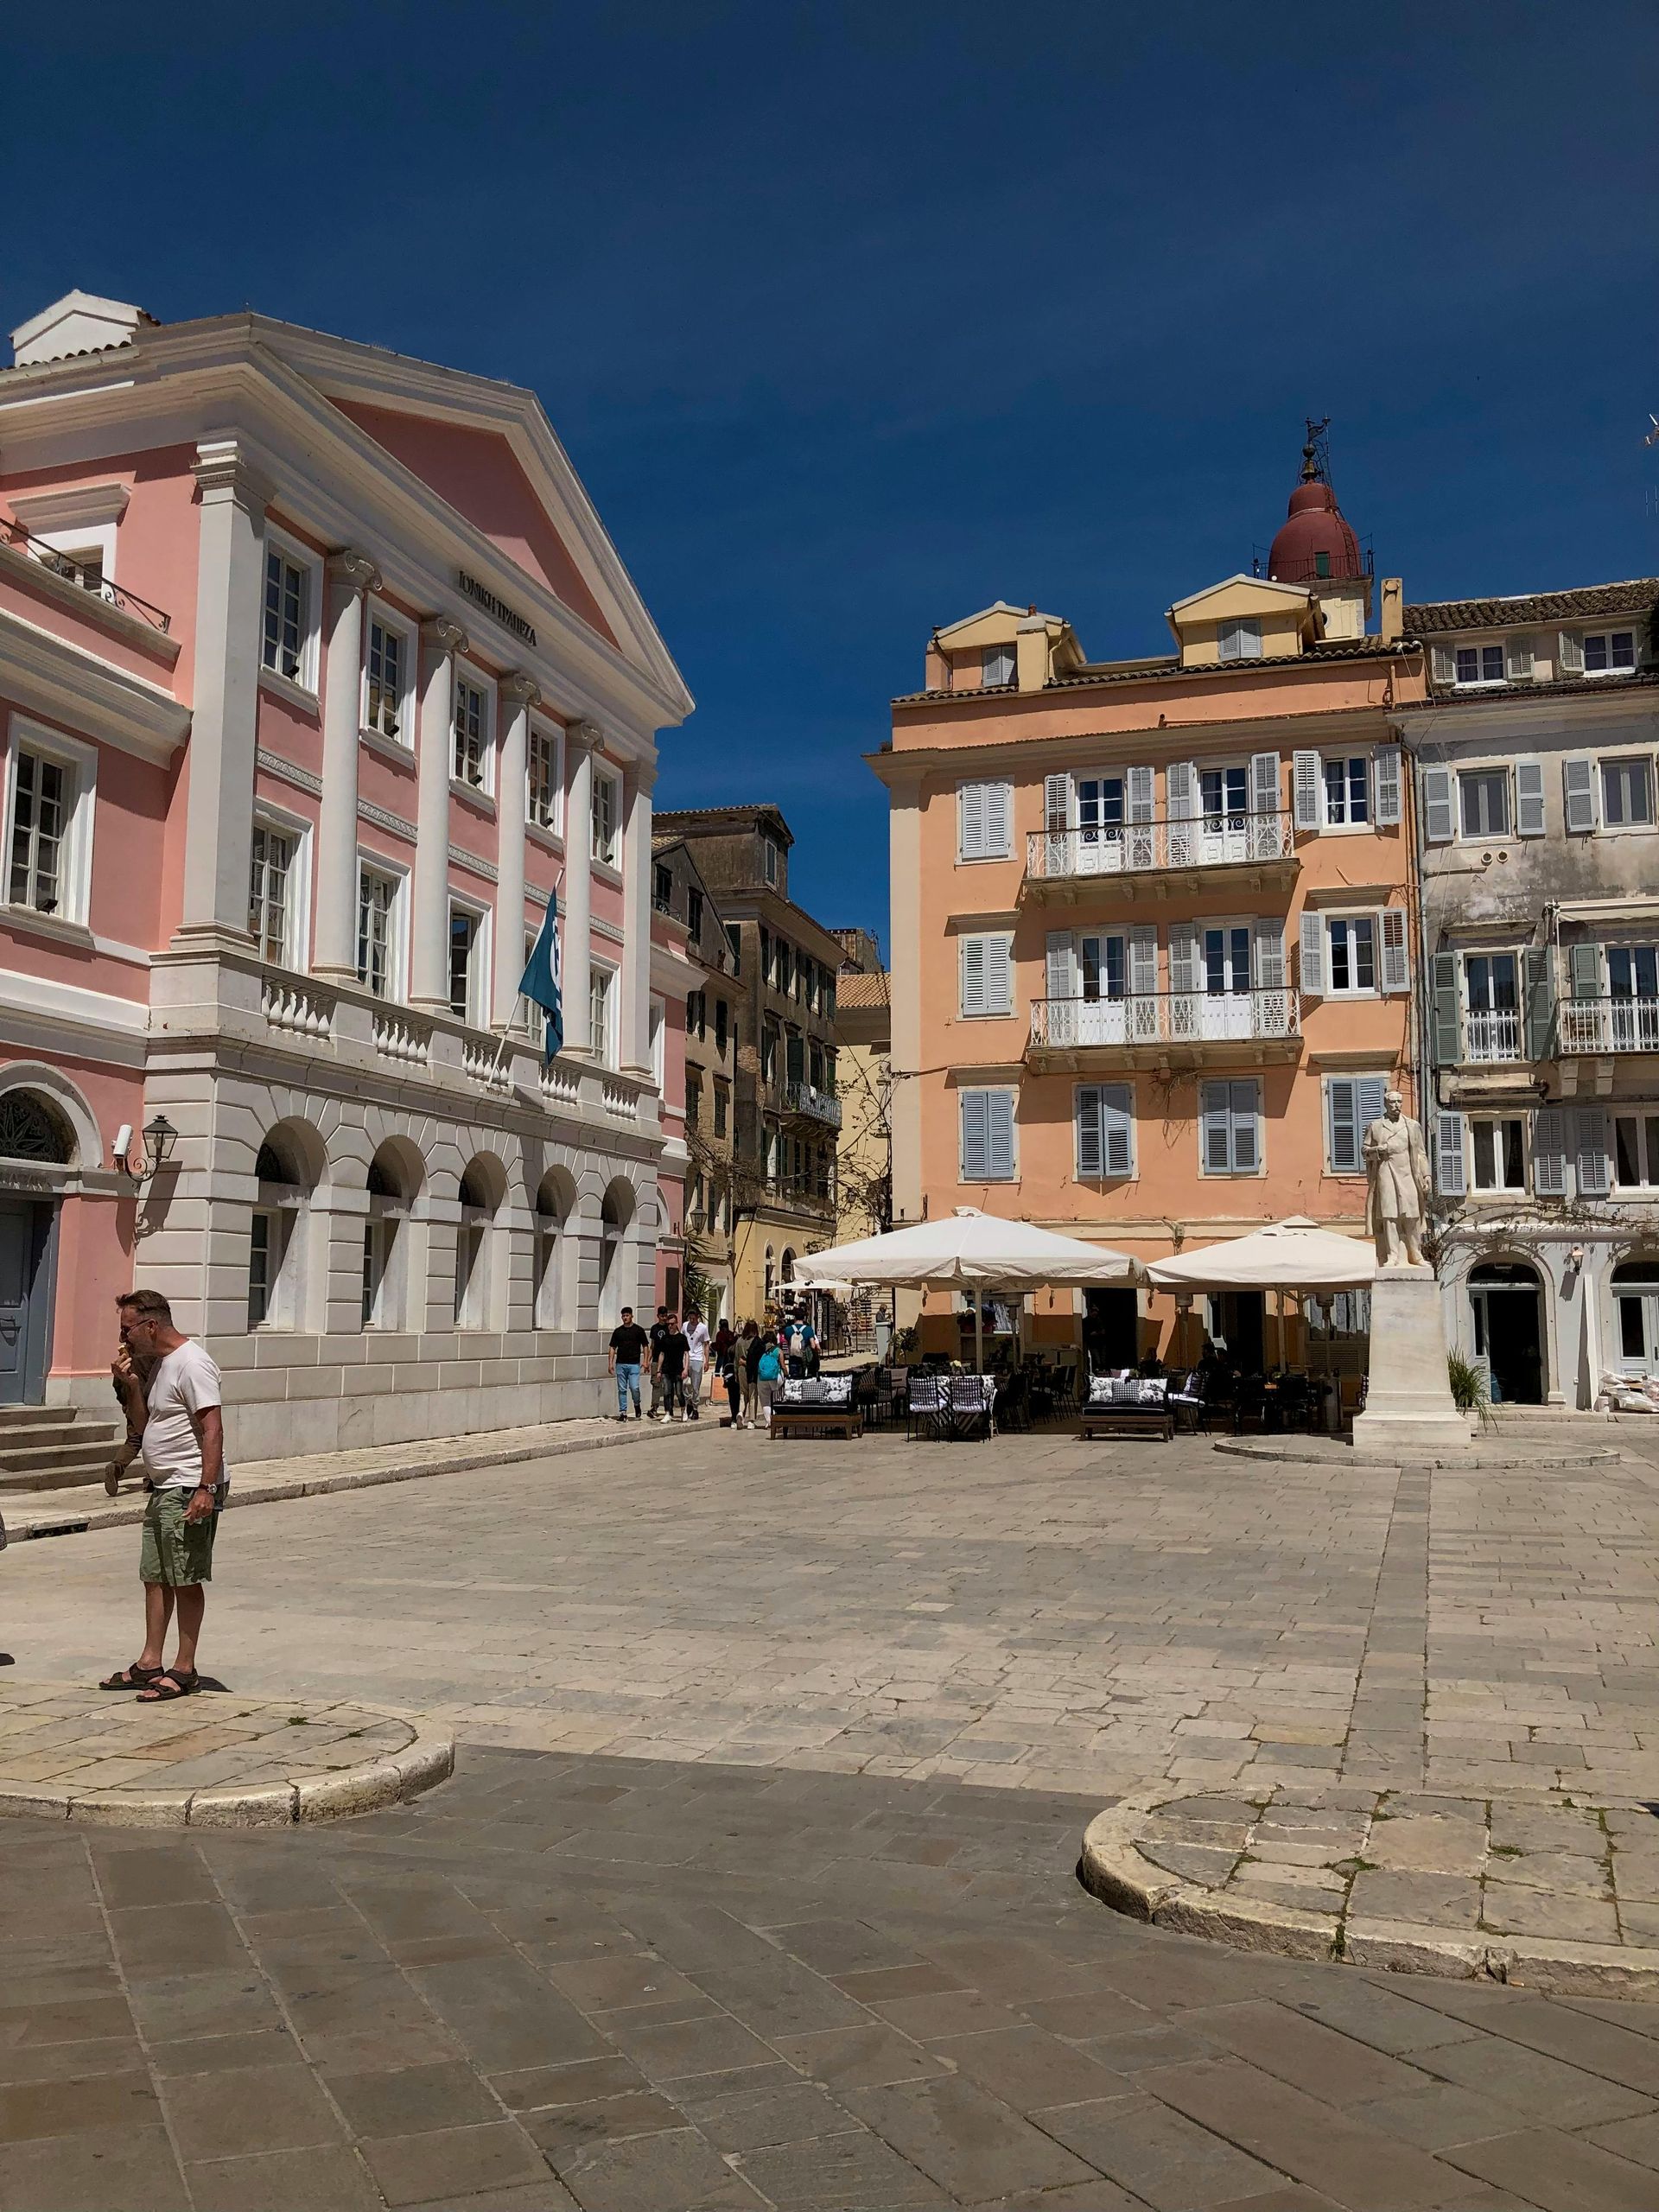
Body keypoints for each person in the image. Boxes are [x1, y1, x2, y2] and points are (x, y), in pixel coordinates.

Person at [98, 1290, 226, 1703]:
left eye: (127, 1329)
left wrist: (205, 1488)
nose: (124, 1339)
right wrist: (131, 1384)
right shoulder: (162, 1367)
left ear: (151, 1325)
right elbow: (144, 1423)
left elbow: (213, 1429)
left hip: (188, 1485)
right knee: (155, 1577)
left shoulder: (194, 1363)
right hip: (163, 1485)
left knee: (185, 1578)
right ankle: (150, 1662)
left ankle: (184, 1669)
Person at [607, 1306, 648, 1421]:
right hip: (621, 1364)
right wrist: (610, 1363)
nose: (625, 1318)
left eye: (627, 1315)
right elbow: (612, 1347)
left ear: (631, 1316)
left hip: (634, 1364)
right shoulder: (618, 1332)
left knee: (634, 1387)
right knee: (622, 1389)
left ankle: (636, 1404)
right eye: (623, 1316)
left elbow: (645, 1346)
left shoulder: (638, 1330)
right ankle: (623, 1412)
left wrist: (645, 1361)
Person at [658, 1312, 690, 1420]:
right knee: (667, 1392)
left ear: (677, 1323)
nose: (670, 1326)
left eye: (672, 1324)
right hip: (666, 1369)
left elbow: (686, 1354)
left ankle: (683, 1409)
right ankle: (668, 1413)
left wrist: (685, 1369)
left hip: (678, 1369)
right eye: (668, 1324)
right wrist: (659, 1370)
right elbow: (662, 1354)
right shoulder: (665, 1338)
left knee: (679, 1392)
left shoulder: (682, 1338)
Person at [646, 1306, 674, 1421]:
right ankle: (654, 1407)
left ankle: (670, 1408)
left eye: (665, 1316)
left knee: (668, 1385)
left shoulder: (670, 1328)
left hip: (668, 1361)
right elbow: (652, 1346)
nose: (664, 1318)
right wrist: (647, 1361)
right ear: (658, 1316)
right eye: (662, 1316)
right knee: (656, 1384)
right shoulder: (654, 1328)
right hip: (656, 1360)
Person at [683, 1307, 710, 1421]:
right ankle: (688, 1401)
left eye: (694, 1318)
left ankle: (695, 1408)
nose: (692, 1320)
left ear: (698, 1317)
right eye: (690, 1318)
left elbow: (706, 1344)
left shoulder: (703, 1328)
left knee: (695, 1386)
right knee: (683, 1384)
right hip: (685, 1358)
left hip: (697, 1359)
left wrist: (706, 1360)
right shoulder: (684, 1326)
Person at [713, 1323, 742, 1427]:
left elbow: (718, 1344)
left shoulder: (720, 1334)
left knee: (732, 1397)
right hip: (736, 1376)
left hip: (724, 1358)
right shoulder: (731, 1335)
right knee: (737, 1397)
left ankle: (734, 1416)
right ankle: (736, 1414)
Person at [755, 1330, 783, 1429]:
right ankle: (777, 1418)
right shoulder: (778, 1350)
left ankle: (769, 1420)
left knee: (765, 1400)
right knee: (777, 1398)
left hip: (762, 1377)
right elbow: (783, 1366)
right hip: (775, 1377)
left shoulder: (761, 1350)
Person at [741, 1320, 763, 1427]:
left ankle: (740, 1413)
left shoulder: (740, 1341)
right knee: (752, 1396)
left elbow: (736, 1358)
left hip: (741, 1371)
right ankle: (751, 1420)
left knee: (742, 1394)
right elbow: (758, 1360)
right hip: (753, 1372)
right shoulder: (758, 1342)